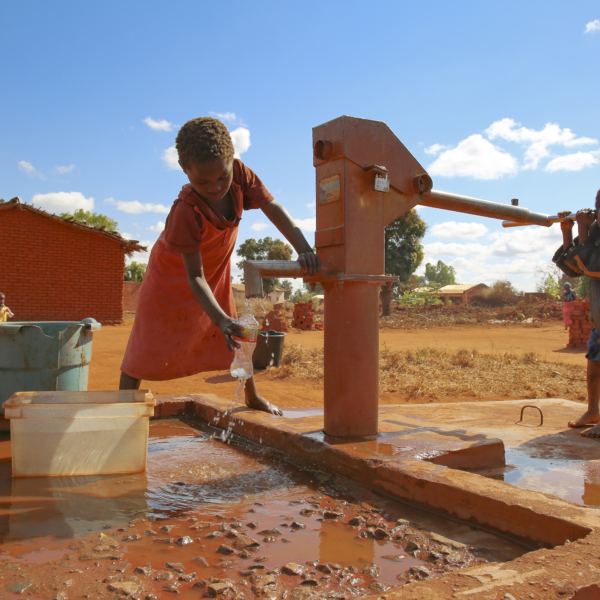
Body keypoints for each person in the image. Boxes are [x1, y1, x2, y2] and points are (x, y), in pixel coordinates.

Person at [120, 117, 320, 415]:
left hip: (215, 273)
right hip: (172, 278)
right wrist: (220, 320)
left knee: (238, 334)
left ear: (231, 161)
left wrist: (304, 249)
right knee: (147, 344)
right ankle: (121, 408)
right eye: (202, 181)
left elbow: (272, 208)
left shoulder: (240, 175)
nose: (214, 187)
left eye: (221, 177)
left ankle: (251, 397)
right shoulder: (186, 211)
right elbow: (193, 274)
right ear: (185, 172)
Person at [553, 193, 600, 439]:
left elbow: (592, 265)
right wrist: (568, 232)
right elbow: (574, 267)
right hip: (599, 323)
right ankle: (594, 411)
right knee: (594, 365)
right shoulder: (595, 236)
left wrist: (582, 228)